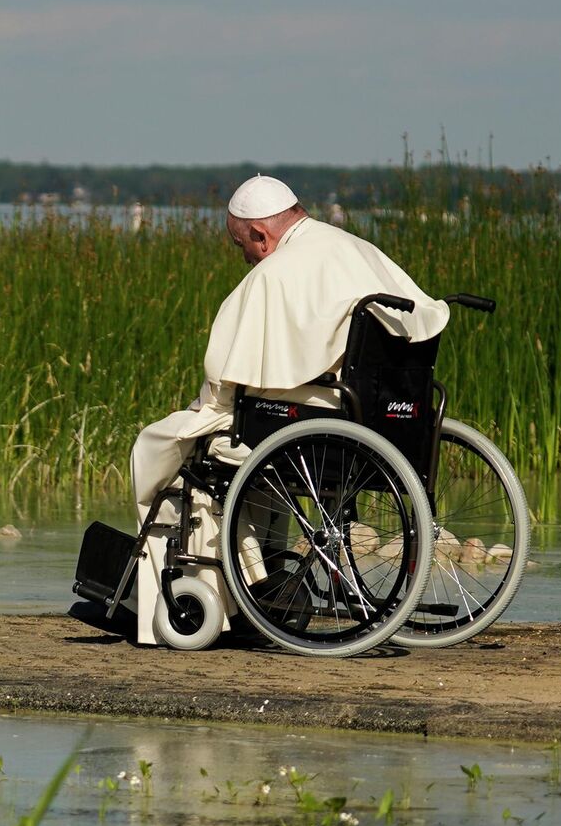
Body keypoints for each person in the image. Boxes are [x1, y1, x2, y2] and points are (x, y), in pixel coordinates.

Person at [127, 174, 448, 644]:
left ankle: (182, 598)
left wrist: (208, 407)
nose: (245, 256)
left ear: (260, 234)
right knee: (253, 435)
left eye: (242, 245)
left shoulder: (275, 274)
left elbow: (226, 380)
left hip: (316, 424)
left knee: (159, 445)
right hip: (384, 420)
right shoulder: (357, 249)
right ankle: (256, 585)